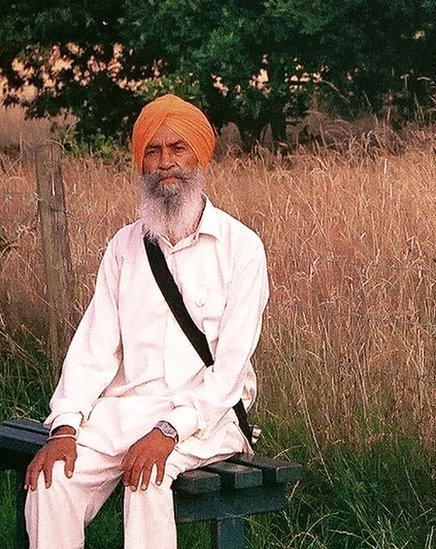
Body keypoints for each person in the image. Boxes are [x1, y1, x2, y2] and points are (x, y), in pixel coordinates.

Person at [22, 94, 270, 548]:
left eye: (178, 148)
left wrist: (169, 430)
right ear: (141, 163)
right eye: (152, 152)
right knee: (50, 480)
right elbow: (93, 347)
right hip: (124, 410)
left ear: (200, 155)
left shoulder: (242, 247)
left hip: (205, 417)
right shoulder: (123, 246)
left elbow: (231, 369)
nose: (165, 163)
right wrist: (65, 425)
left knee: (148, 480)